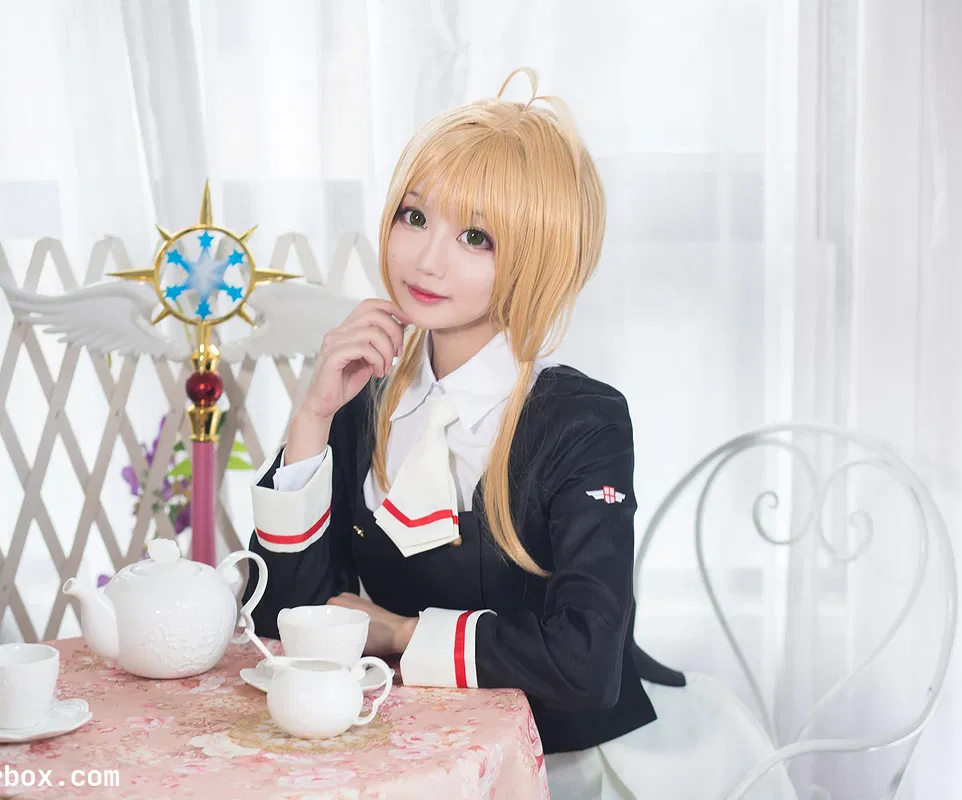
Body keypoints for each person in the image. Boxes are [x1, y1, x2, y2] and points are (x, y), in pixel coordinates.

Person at [241, 67, 704, 799]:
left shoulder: (581, 421)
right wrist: (311, 420)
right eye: (414, 216)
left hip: (566, 761)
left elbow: (586, 660)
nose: (427, 259)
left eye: (475, 236)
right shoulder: (369, 395)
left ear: (540, 254)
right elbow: (278, 616)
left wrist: (399, 633)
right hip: (415, 752)